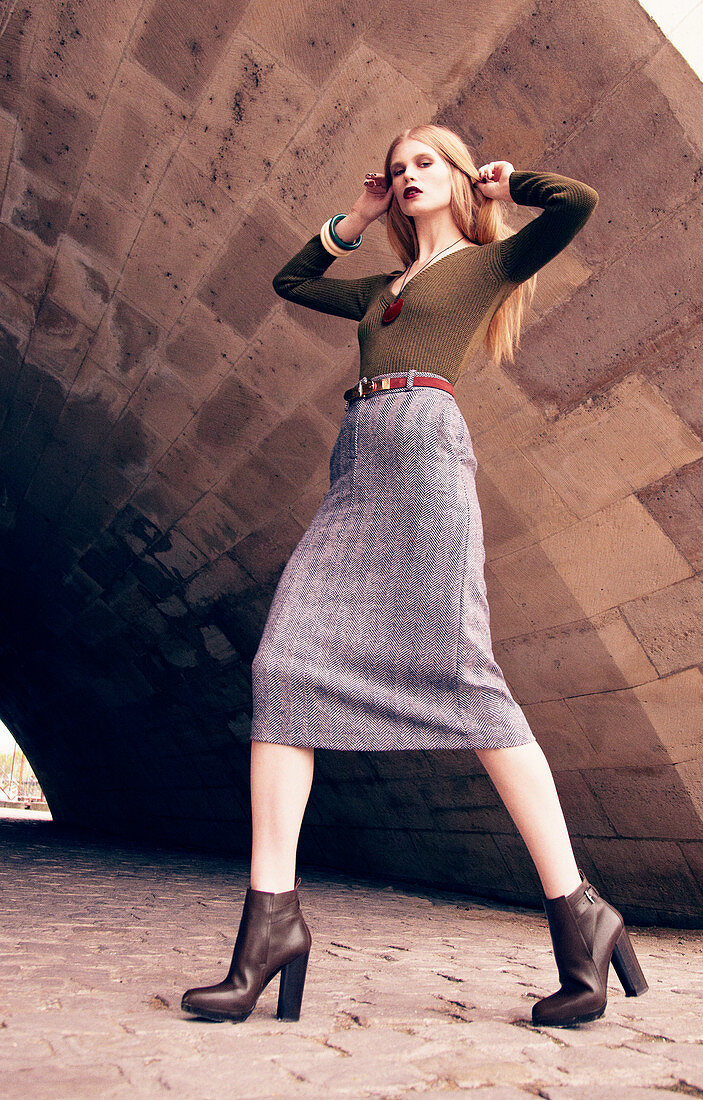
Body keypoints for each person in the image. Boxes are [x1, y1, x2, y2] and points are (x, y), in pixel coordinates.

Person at [181, 124, 648, 1028]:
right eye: (397, 170)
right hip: (358, 463)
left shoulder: (488, 262)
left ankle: (578, 911)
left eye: (423, 163)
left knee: (466, 678)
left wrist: (510, 186)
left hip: (428, 455)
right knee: (283, 669)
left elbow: (579, 205)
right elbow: (291, 282)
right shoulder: (377, 290)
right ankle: (269, 926)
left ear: (458, 175)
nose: (405, 177)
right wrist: (353, 215)